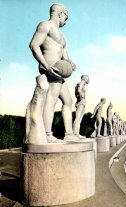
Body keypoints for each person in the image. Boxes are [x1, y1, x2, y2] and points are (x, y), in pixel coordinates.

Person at [29, 3, 80, 142]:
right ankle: (47, 135)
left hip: (58, 70)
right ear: (60, 13)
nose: (66, 21)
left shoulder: (62, 36)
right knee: (51, 100)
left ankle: (69, 134)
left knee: (68, 101)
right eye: (66, 17)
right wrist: (45, 65)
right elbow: (34, 45)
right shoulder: (45, 25)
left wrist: (70, 63)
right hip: (51, 67)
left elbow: (65, 57)